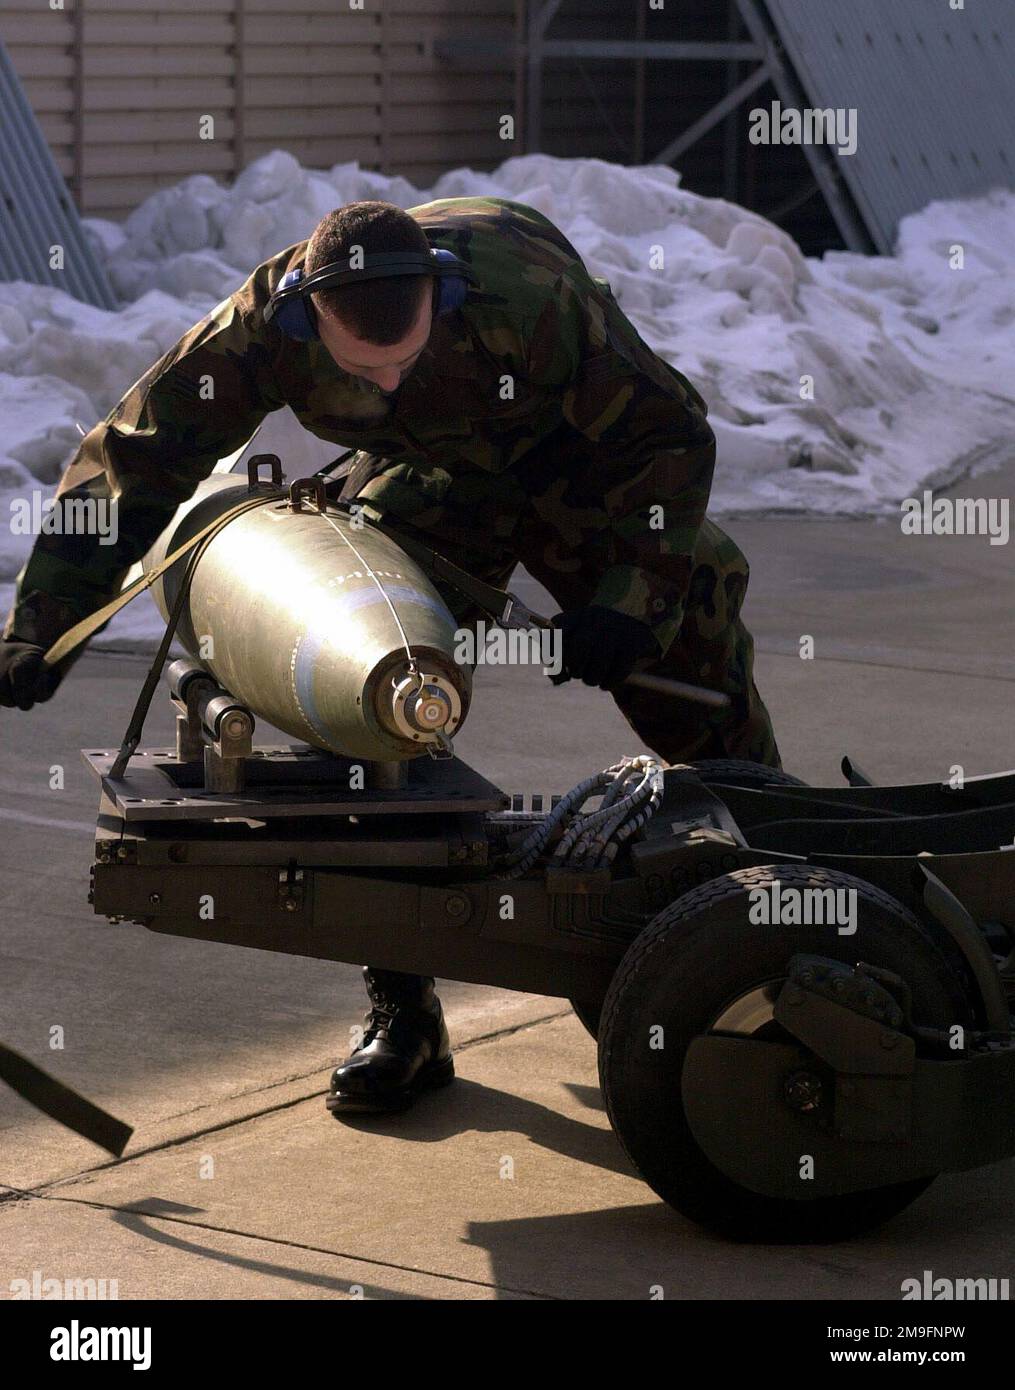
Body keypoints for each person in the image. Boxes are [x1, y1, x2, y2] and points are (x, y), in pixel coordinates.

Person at [1, 196, 782, 1114]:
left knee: (694, 680)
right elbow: (139, 455)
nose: (389, 383)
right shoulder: (261, 328)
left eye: (408, 360)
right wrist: (43, 618)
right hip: (435, 478)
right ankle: (404, 1015)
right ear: (308, 315)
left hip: (587, 467)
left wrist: (629, 602)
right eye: (363, 369)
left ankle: (795, 906)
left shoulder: (528, 300)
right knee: (364, 688)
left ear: (441, 299)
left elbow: (668, 435)